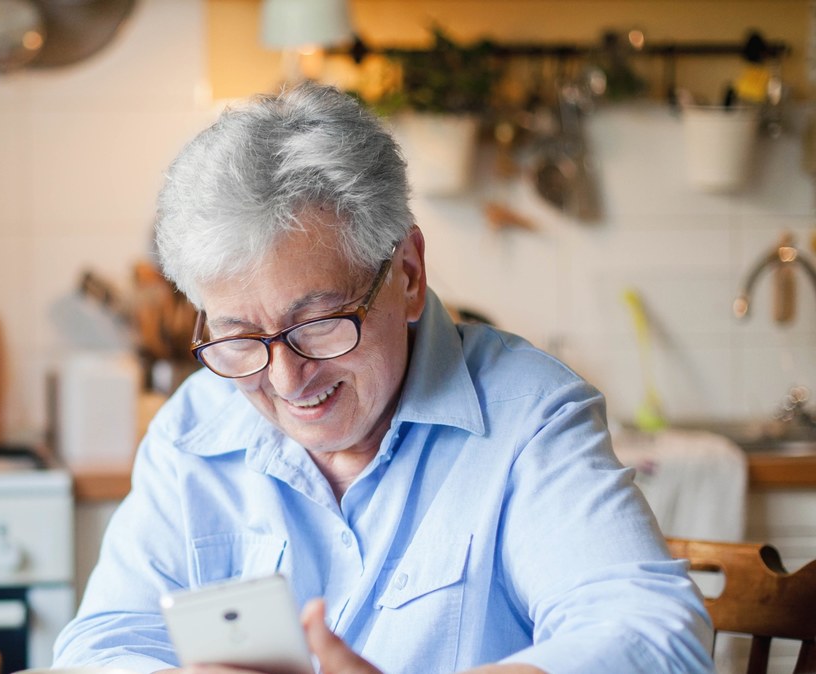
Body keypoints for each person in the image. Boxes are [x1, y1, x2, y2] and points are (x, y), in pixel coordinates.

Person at [52, 83, 712, 674]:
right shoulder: (193, 427)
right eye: (240, 336)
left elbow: (655, 639)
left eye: (318, 323)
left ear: (409, 275)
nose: (286, 380)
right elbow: (102, 644)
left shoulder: (529, 415)